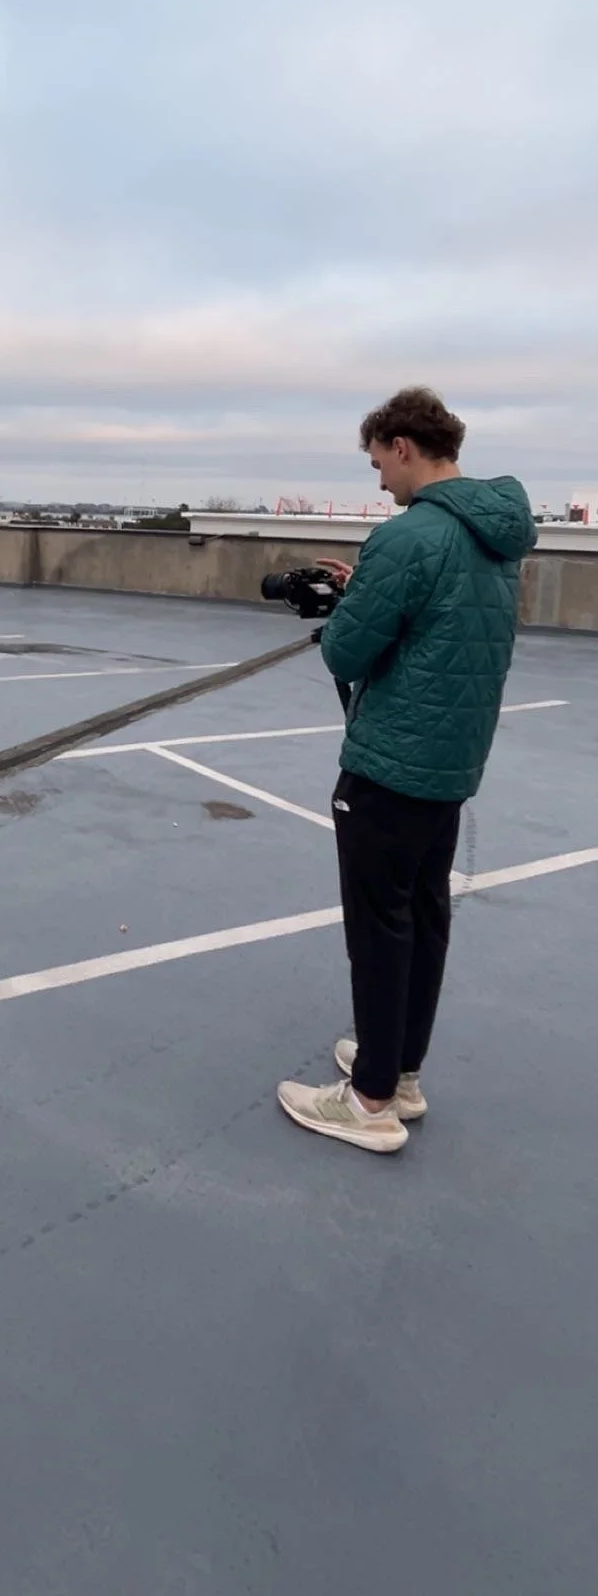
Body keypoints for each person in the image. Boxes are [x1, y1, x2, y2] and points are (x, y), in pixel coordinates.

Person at [277, 387, 538, 1154]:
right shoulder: (496, 536)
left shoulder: (408, 535)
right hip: (451, 762)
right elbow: (442, 623)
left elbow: (346, 652)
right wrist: (370, 591)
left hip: (391, 763)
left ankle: (367, 1101)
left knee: (379, 927)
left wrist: (352, 601)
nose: (379, 480)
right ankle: (401, 1071)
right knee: (423, 917)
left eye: (377, 464)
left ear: (402, 446)